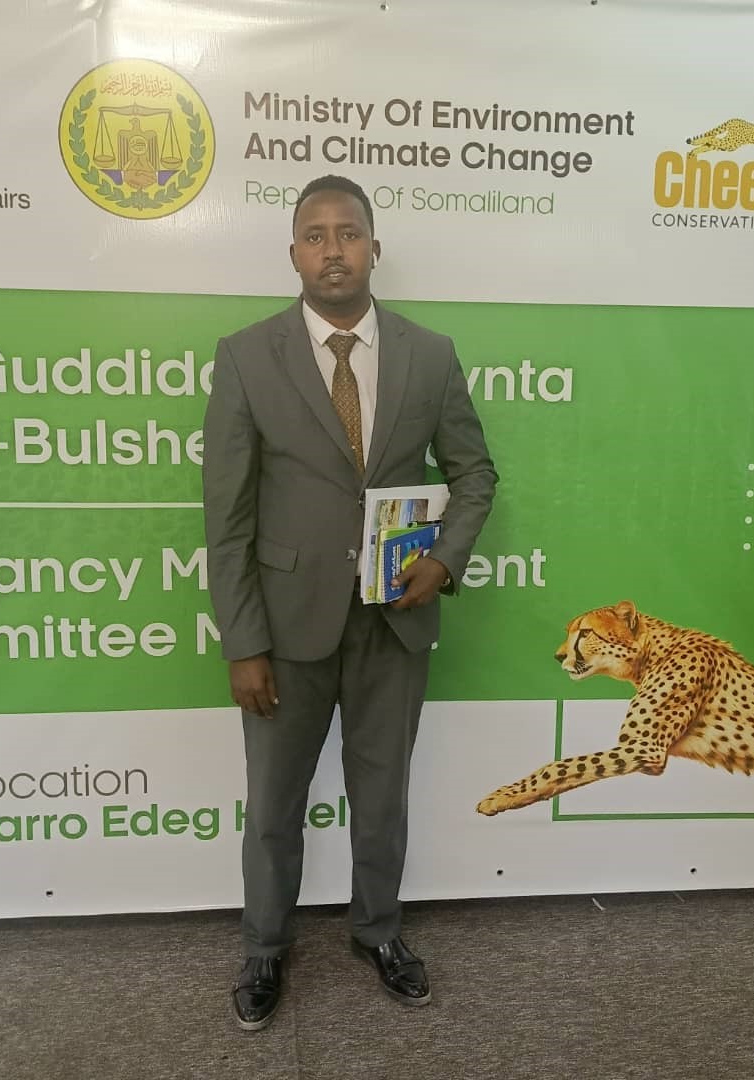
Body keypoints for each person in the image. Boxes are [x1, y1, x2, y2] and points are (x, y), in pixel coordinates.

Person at [202, 174, 496, 1030]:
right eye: (315, 235)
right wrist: (243, 643)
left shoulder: (429, 354)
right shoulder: (246, 356)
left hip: (392, 623)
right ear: (294, 254)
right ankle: (265, 946)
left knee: (383, 796)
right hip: (285, 629)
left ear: (374, 248)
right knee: (274, 805)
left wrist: (444, 560)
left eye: (349, 233)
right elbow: (228, 516)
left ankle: (379, 932)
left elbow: (475, 473)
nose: (333, 249)